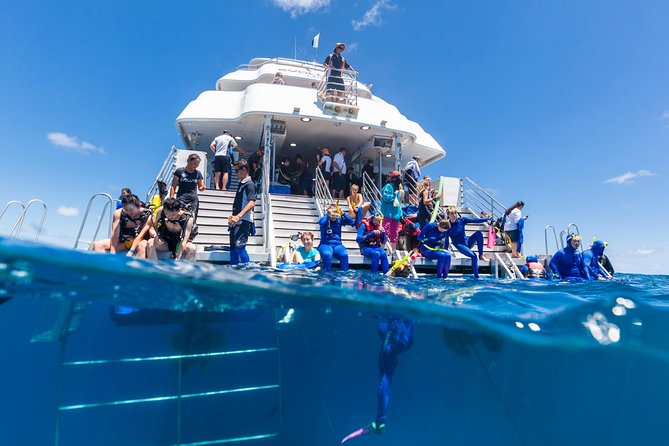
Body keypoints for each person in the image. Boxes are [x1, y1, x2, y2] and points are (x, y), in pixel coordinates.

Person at [341, 317, 414, 443]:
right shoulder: (393, 338)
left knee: (385, 375)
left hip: (397, 338)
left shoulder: (390, 341)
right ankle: (379, 423)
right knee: (385, 371)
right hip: (400, 337)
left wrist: (379, 422)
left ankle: (379, 423)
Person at [446, 207, 490, 279]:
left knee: (479, 233)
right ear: (448, 215)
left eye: (455, 213)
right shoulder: (448, 225)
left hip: (467, 241)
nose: (454, 215)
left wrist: (487, 219)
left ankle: (481, 255)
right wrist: (446, 249)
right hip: (459, 245)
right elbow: (447, 239)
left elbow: (475, 220)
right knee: (474, 256)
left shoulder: (462, 220)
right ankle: (477, 277)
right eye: (452, 213)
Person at [228, 160, 257, 265]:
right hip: (237, 220)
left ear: (244, 169)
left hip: (243, 221)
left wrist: (238, 216)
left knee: (240, 247)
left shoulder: (249, 184)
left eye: (236, 170)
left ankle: (249, 269)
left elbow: (252, 203)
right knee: (233, 248)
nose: (235, 173)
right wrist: (233, 216)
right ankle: (233, 271)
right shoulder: (241, 184)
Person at [318, 203, 354, 272]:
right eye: (333, 212)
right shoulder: (325, 219)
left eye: (335, 212)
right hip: (325, 244)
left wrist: (343, 213)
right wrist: (328, 215)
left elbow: (350, 221)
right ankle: (326, 274)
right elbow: (321, 223)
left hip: (337, 245)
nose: (334, 214)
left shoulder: (339, 220)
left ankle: (343, 274)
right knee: (327, 255)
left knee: (344, 255)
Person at [170, 153, 205, 221]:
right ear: (189, 160)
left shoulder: (198, 174)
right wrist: (171, 198)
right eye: (195, 163)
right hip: (181, 198)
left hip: (193, 199)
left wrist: (202, 188)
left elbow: (200, 187)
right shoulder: (179, 171)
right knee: (180, 216)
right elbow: (173, 186)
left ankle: (191, 230)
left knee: (192, 218)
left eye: (198, 164)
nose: (196, 165)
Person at [380, 171, 404, 251]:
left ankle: (393, 251)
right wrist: (394, 194)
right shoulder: (388, 186)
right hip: (388, 213)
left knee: (395, 233)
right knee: (385, 231)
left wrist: (400, 213)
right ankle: (381, 249)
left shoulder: (397, 188)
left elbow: (399, 202)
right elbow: (385, 198)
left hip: (395, 214)